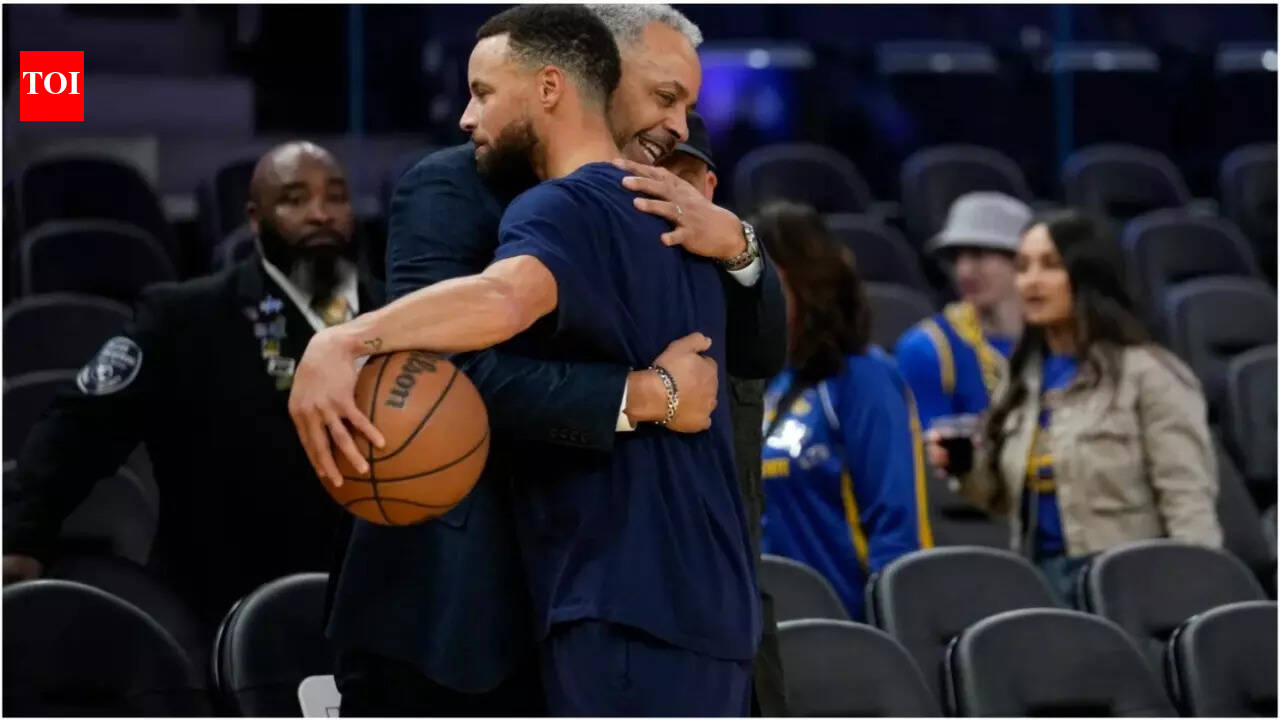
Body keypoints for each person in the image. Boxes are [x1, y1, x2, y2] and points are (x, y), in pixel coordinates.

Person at [292, 5, 761, 715]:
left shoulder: (611, 207)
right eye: (667, 98)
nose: (680, 125)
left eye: (482, 93)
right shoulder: (670, 215)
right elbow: (451, 366)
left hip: (618, 593)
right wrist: (645, 394)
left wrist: (346, 339)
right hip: (655, 594)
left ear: (554, 86)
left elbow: (504, 299)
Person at [3, 141, 383, 632]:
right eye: (294, 199)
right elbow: (79, 425)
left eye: (336, 198)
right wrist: (22, 536)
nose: (321, 215)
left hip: (376, 602)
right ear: (254, 218)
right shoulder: (186, 317)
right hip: (222, 604)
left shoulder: (396, 312)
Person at [925, 210, 1222, 605]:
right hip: (1042, 585)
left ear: (1086, 276)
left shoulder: (1149, 374)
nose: (1030, 281)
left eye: (1049, 266)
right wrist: (963, 465)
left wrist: (1196, 598)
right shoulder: (1021, 379)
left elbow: (1188, 503)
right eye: (1023, 267)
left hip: (1132, 587)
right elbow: (999, 498)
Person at [658, 111, 787, 716]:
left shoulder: (741, 285)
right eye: (654, 172)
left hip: (737, 600)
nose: (670, 191)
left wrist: (738, 245)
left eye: (685, 177)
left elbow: (769, 340)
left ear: (710, 189)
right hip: (641, 605)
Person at [756, 201, 933, 621]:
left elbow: (897, 522)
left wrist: (890, 631)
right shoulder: (759, 385)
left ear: (806, 283)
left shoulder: (863, 378)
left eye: (764, 278)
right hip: (769, 633)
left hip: (847, 634)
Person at [895, 192, 1031, 430]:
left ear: (1022, 261)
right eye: (957, 258)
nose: (964, 272)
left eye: (979, 254)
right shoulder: (927, 350)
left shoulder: (1056, 342)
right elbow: (929, 456)